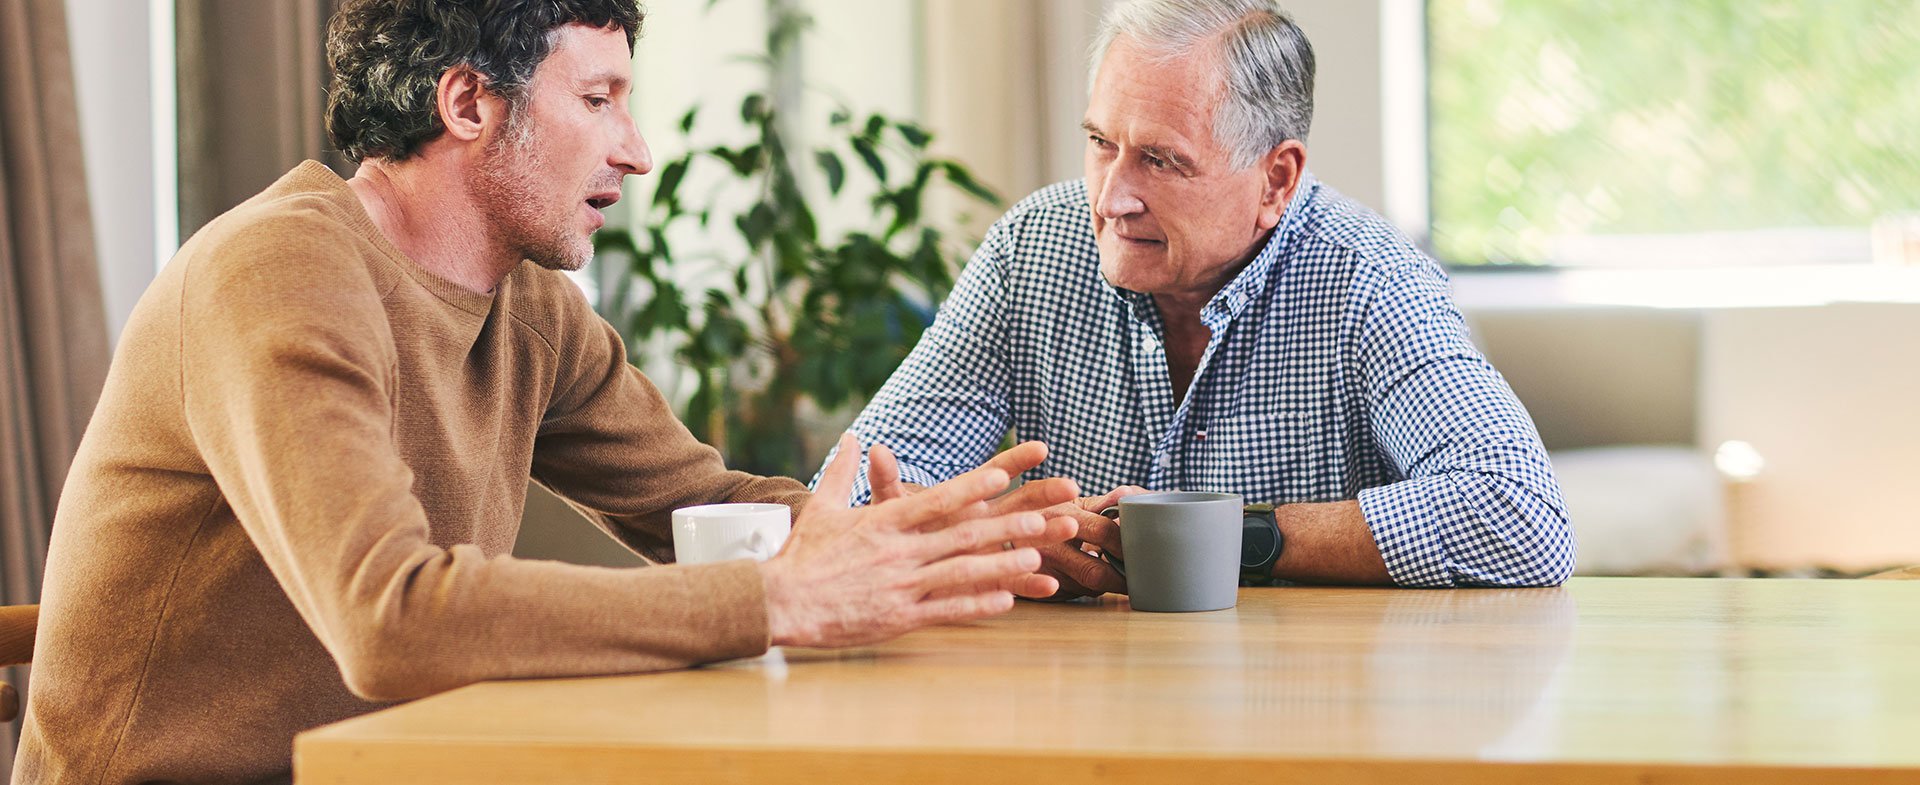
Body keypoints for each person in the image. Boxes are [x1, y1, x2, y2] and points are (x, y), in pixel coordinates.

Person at [14, 2, 1081, 783]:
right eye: (598, 99)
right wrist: (778, 598)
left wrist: (926, 538)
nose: (640, 149)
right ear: (469, 101)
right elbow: (391, 617)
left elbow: (696, 510)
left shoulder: (527, 308)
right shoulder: (280, 273)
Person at [822, 0, 1574, 597]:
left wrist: (1228, 537)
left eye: (1160, 160)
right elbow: (852, 484)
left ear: (1276, 179)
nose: (1112, 198)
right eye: (1100, 143)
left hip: (1311, 711)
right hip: (1077, 709)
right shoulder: (1033, 249)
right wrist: (998, 530)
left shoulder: (1370, 280)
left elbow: (1520, 514)